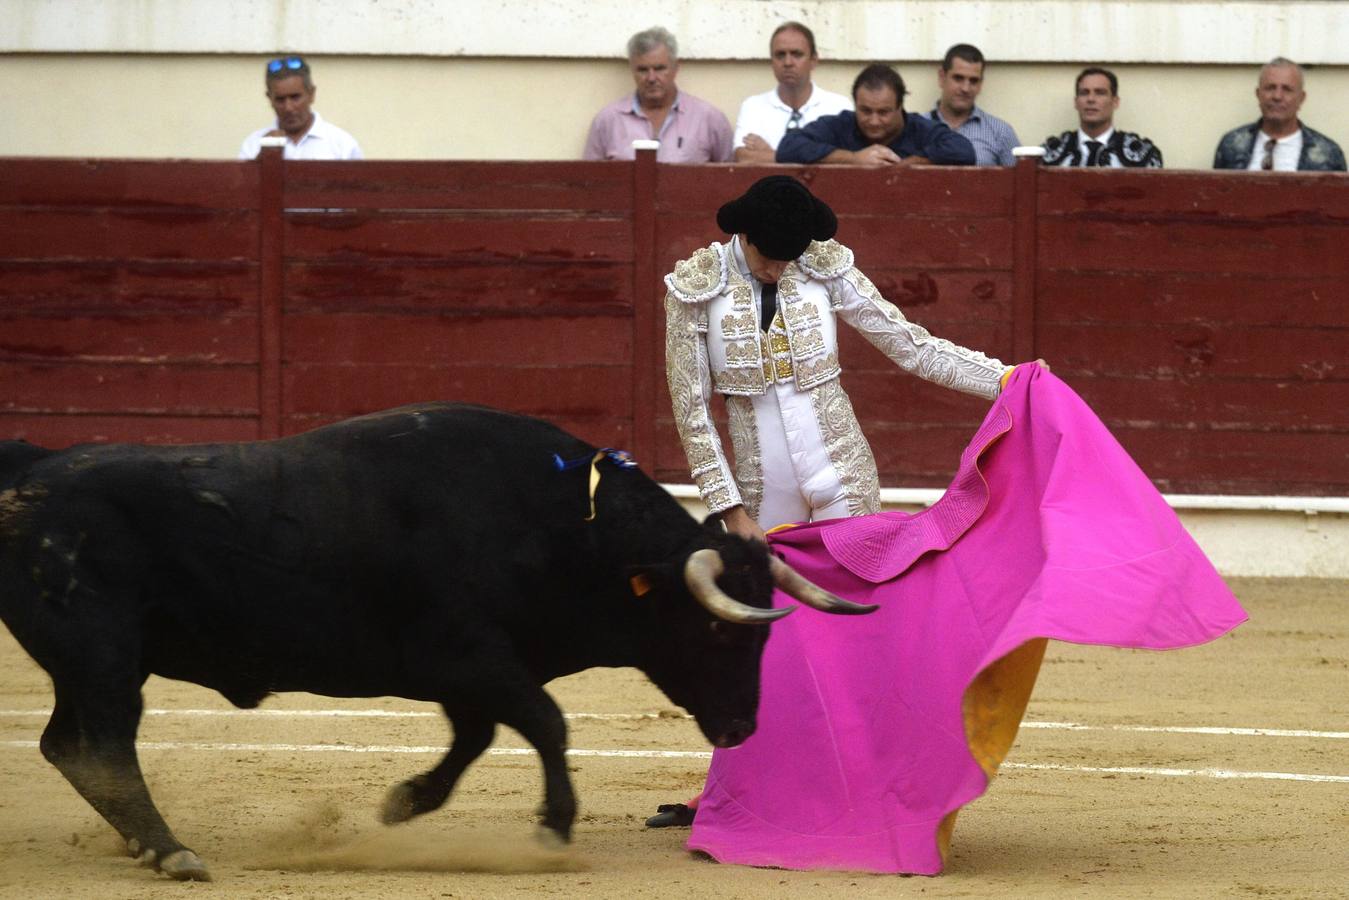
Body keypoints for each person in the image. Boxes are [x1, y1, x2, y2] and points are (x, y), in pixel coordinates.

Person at [653, 175, 1044, 828]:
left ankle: (870, 780)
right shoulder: (694, 291)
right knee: (759, 643)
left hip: (844, 476)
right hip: (759, 493)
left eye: (788, 253)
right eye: (769, 254)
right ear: (741, 235)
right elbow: (691, 411)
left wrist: (1003, 379)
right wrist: (729, 510)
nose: (780, 265)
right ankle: (736, 786)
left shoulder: (821, 265)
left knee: (862, 630)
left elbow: (909, 345)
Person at [583, 27, 733, 163]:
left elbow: (732, 177)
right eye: (642, 70)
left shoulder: (708, 119)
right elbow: (589, 182)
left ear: (676, 68)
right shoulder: (608, 121)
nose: (651, 78)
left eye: (660, 68)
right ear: (632, 70)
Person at [776, 64, 974, 166]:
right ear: (855, 104)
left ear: (900, 107)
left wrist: (908, 164)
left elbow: (963, 151)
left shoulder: (919, 128)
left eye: (884, 112)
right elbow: (788, 147)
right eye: (865, 111)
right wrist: (853, 159)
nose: (874, 121)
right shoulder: (841, 124)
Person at [731, 22, 852, 164]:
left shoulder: (837, 107)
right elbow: (743, 158)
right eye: (780, 55)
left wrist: (772, 155)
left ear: (813, 60)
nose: (788, 62)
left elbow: (848, 160)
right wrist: (818, 157)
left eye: (796, 54)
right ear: (772, 61)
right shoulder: (753, 107)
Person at [1213, 57, 1346, 172]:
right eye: (1270, 88)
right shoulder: (1232, 145)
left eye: (1287, 89)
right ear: (1258, 95)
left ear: (1301, 98)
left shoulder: (1327, 153)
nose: (1277, 96)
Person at [238, 55, 363, 160]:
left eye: (295, 97)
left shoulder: (342, 144)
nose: (288, 107)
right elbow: (241, 188)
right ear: (269, 99)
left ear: (311, 94)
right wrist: (261, 160)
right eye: (280, 99)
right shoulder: (253, 145)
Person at [1041, 67, 1162, 168]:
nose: (1091, 99)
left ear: (1115, 102)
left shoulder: (1143, 153)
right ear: (1076, 102)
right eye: (1084, 93)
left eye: (1100, 93)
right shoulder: (1048, 153)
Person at [926, 44, 1020, 166]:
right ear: (942, 77)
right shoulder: (916, 127)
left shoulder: (1000, 132)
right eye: (958, 78)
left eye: (973, 81)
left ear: (981, 84)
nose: (965, 88)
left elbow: (1020, 181)